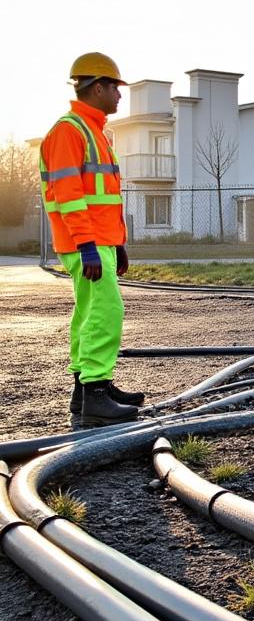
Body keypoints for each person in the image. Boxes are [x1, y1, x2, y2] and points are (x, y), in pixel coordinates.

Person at [40, 53, 143, 425]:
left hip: (99, 242)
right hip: (86, 243)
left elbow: (103, 197)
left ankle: (86, 391)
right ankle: (96, 392)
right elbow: (69, 195)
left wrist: (118, 243)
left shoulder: (95, 131)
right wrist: (87, 244)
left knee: (88, 312)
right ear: (97, 87)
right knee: (106, 310)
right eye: (116, 87)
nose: (119, 95)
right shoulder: (70, 130)